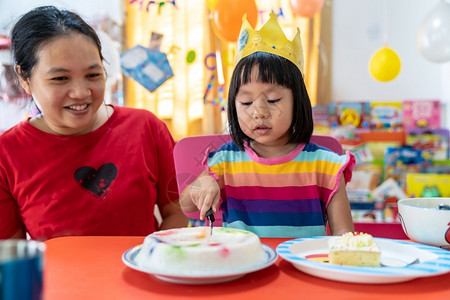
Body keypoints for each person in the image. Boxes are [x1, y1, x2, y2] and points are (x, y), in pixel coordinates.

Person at [0, 6, 188, 240]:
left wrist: (154, 258)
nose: (80, 92)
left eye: (92, 75)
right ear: (24, 79)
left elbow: (178, 212)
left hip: (143, 274)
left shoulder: (146, 128)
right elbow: (13, 253)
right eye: (60, 78)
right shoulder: (6, 153)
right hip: (57, 278)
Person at [180, 14, 355, 238]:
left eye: (272, 100)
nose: (259, 112)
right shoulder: (224, 162)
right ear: (234, 106)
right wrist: (203, 183)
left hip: (301, 269)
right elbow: (186, 205)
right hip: (242, 267)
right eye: (246, 102)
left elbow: (345, 238)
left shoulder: (327, 166)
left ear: (297, 102)